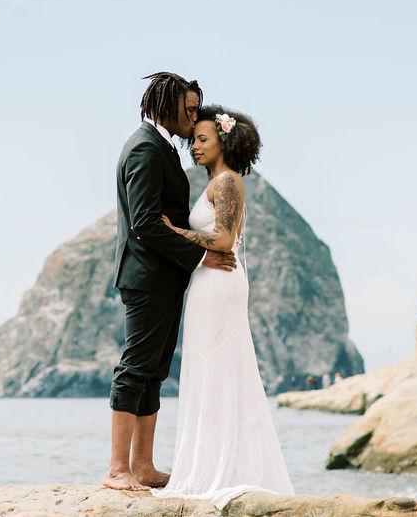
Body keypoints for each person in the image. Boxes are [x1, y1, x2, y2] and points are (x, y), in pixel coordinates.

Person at [152, 105, 294, 508]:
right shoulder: (216, 182)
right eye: (194, 140)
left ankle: (225, 468)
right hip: (208, 280)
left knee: (220, 365)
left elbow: (225, 241)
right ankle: (212, 461)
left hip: (219, 282)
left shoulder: (228, 181)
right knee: (208, 367)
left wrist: (173, 231)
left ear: (224, 142)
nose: (194, 147)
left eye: (202, 140)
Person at [104, 73, 237, 492]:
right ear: (167, 105)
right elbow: (145, 223)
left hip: (163, 276)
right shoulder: (145, 148)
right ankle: (117, 470)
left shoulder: (158, 146)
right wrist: (201, 255)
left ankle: (143, 466)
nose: (194, 118)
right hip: (146, 277)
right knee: (135, 368)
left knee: (154, 371)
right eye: (190, 109)